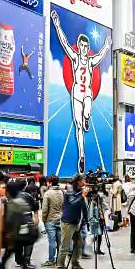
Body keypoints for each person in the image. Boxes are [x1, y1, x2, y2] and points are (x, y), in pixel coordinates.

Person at [50, 9, 112, 173]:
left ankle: (87, 117)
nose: (83, 48)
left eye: (86, 46)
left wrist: (106, 45)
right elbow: (64, 43)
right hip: (76, 92)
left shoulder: (91, 61)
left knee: (87, 108)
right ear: (79, 47)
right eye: (81, 46)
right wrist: (57, 25)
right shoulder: (75, 58)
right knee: (78, 126)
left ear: (88, 47)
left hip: (87, 92)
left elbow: (101, 55)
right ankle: (82, 156)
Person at [1, 181, 36, 269]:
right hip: (23, 235)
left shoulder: (11, 204)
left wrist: (9, 238)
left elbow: (10, 222)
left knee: (3, 261)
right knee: (21, 260)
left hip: (15, 237)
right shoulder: (22, 201)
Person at [57, 174, 89, 269]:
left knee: (79, 243)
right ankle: (61, 268)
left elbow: (83, 207)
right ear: (78, 182)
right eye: (82, 180)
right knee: (65, 246)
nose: (85, 181)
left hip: (76, 222)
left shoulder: (80, 191)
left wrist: (85, 219)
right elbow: (73, 204)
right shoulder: (70, 192)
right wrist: (83, 196)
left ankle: (75, 264)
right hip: (68, 223)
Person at [41, 175, 64, 267]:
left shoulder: (48, 193)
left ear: (50, 183)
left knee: (51, 241)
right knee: (59, 242)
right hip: (60, 218)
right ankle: (59, 260)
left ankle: (51, 260)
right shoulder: (62, 192)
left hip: (50, 219)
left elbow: (45, 209)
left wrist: (43, 219)